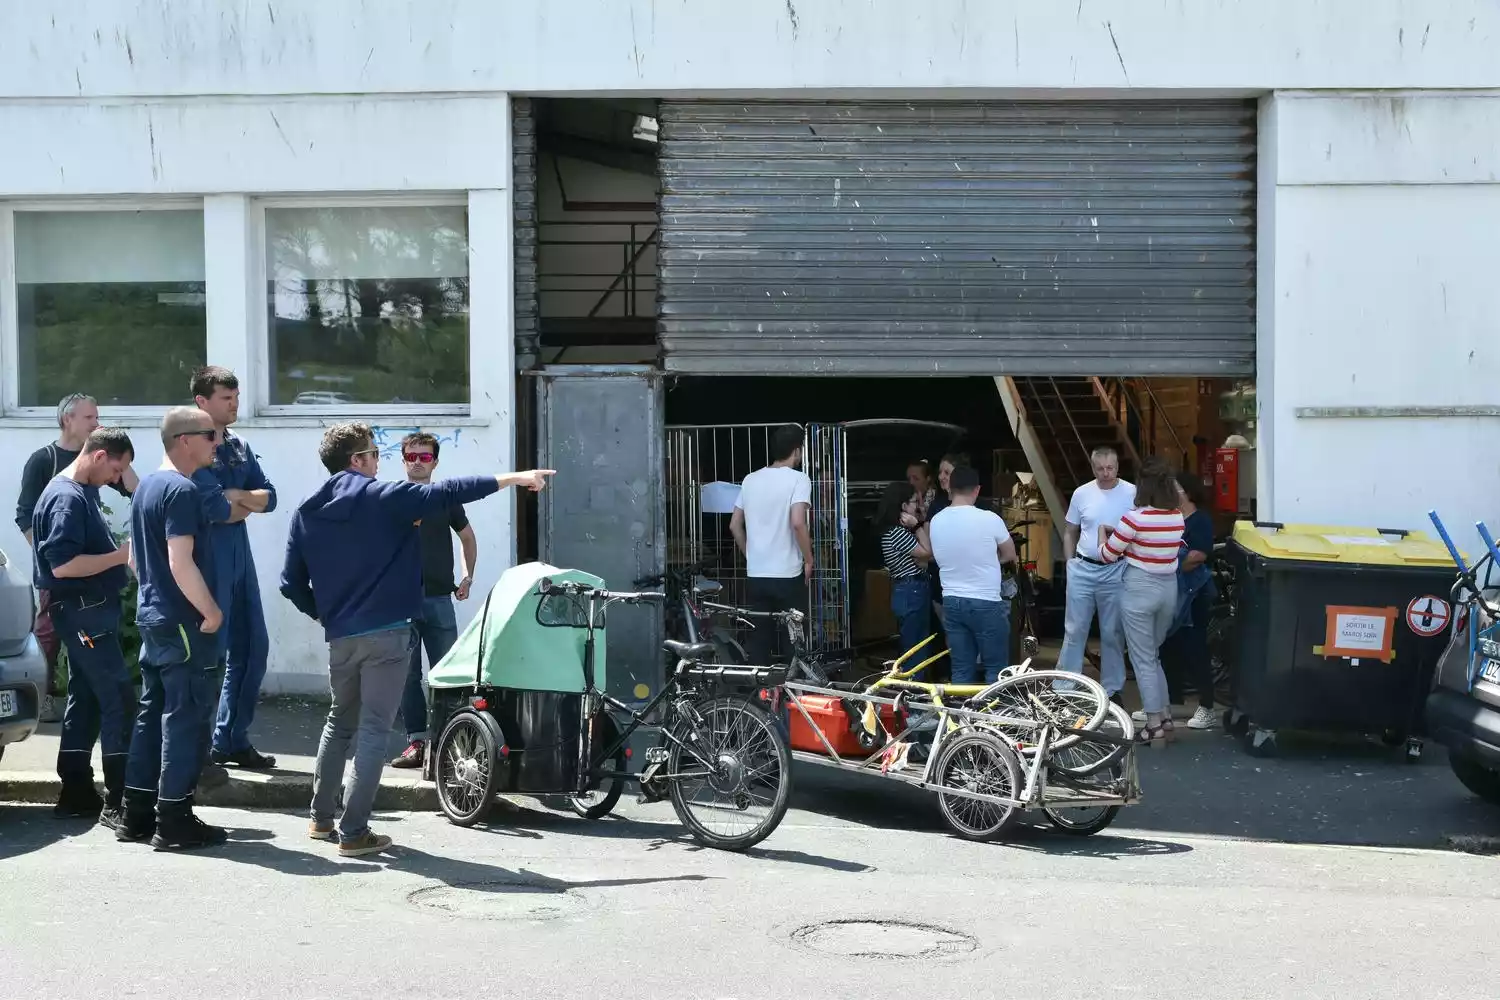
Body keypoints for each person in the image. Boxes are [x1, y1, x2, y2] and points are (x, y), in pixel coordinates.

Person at [279, 421, 553, 858]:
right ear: (357, 460)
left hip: (343, 636)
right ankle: (353, 834)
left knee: (338, 723)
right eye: (372, 453)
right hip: (386, 632)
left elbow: (290, 583)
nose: (377, 460)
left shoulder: (308, 510)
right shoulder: (383, 497)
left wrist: (327, 614)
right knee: (372, 730)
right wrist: (516, 478)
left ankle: (320, 819)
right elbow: (450, 492)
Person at [117, 407, 226, 850]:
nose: (216, 442)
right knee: (184, 717)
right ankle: (174, 819)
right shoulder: (181, 490)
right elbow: (180, 561)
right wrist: (212, 612)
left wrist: (156, 595)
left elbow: (134, 561)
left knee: (151, 715)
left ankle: (136, 815)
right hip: (183, 622)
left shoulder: (146, 489)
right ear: (185, 439)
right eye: (210, 435)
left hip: (154, 618)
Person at [30, 427, 136, 826]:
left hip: (86, 611)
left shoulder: (80, 490)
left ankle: (75, 791)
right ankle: (120, 800)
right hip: (82, 612)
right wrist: (120, 556)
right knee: (119, 699)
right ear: (98, 455)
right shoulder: (65, 499)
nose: (116, 479)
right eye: (116, 469)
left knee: (87, 699)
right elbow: (63, 565)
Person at [15, 393, 138, 716]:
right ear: (67, 419)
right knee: (48, 631)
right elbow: (25, 514)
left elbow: (135, 491)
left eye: (98, 418)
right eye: (89, 418)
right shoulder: (45, 460)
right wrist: (47, 557)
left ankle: (76, 713)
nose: (96, 422)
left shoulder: (98, 463)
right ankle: (36, 695)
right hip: (61, 568)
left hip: (90, 580)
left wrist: (118, 454)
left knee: (85, 655)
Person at [191, 366, 279, 772]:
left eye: (236, 396)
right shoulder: (194, 445)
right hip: (210, 555)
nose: (235, 404)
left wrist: (240, 496)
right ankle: (202, 747)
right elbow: (215, 510)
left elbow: (271, 497)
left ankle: (233, 739)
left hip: (240, 553)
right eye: (226, 398)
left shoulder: (240, 445)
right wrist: (243, 505)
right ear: (202, 402)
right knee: (213, 652)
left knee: (253, 648)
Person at [390, 432, 478, 770]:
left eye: (424, 457)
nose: (417, 462)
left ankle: (450, 742)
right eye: (411, 457)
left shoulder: (445, 498)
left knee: (448, 675)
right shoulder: (392, 498)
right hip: (401, 602)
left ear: (435, 462)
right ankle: (417, 741)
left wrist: (468, 577)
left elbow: (467, 537)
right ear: (403, 460)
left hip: (440, 598)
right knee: (406, 676)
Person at [1099, 459, 1185, 744]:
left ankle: (1153, 724)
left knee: (1142, 659)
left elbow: (1108, 555)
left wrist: (1103, 536)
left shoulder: (1133, 519)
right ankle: (1166, 715)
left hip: (1138, 589)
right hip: (1168, 590)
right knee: (1154, 653)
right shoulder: (1177, 517)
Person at [1057, 446, 1137, 701]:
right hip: (1083, 566)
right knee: (1074, 629)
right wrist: (1069, 563)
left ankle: (1112, 690)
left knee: (1113, 632)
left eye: (1110, 468)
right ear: (1093, 469)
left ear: (1117, 467)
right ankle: (1064, 688)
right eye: (1100, 468)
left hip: (1116, 568)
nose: (1105, 473)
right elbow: (1070, 530)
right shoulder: (1082, 493)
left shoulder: (1131, 492)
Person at [729, 424, 813, 665]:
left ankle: (758, 699)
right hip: (788, 574)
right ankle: (795, 697)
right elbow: (798, 522)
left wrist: (751, 555)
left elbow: (734, 525)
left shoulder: (750, 479)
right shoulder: (799, 479)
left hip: (757, 575)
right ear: (797, 451)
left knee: (759, 638)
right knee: (794, 640)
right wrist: (809, 559)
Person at [928, 465, 1017, 685]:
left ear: (951, 488)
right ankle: (993, 718)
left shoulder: (937, 520)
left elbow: (937, 555)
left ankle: (960, 717)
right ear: (976, 490)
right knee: (995, 670)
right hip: (986, 602)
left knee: (960, 669)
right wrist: (986, 560)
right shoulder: (990, 519)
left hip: (952, 602)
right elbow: (1009, 554)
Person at [1157, 470, 1219, 731]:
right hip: (1171, 592)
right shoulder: (1168, 518)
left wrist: (1167, 563)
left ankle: (1207, 707)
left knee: (1195, 650)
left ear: (1187, 492)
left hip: (1194, 595)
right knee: (1167, 647)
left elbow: (1199, 555)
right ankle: (1166, 705)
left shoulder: (1200, 520)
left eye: (1175, 488)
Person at [874, 481, 933, 665]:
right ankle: (912, 688)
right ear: (904, 506)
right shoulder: (897, 533)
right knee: (915, 648)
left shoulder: (895, 531)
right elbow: (928, 552)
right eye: (915, 502)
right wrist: (917, 526)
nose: (919, 506)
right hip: (912, 589)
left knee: (915, 644)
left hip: (909, 589)